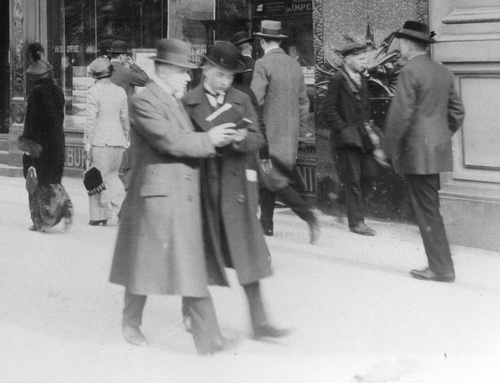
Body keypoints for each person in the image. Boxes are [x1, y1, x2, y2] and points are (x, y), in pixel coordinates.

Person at [109, 39, 237, 354]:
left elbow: (183, 137)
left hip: (178, 195)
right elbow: (170, 140)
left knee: (183, 265)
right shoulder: (144, 101)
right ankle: (131, 322)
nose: (186, 78)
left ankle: (209, 339)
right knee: (143, 266)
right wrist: (209, 139)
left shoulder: (172, 98)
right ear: (164, 70)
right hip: (156, 198)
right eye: (182, 72)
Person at [182, 41, 291, 341]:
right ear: (206, 69)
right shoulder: (187, 102)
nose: (225, 81)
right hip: (204, 188)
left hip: (236, 189)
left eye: (230, 76)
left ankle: (260, 323)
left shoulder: (242, 99)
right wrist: (209, 140)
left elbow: (258, 137)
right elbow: (182, 145)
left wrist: (241, 138)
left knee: (249, 258)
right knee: (200, 257)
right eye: (219, 75)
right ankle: (191, 313)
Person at [385, 21, 465, 283]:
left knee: (426, 210)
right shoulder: (442, 71)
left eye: (400, 43)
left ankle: (440, 268)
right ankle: (441, 265)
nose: (399, 48)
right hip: (436, 151)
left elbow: (400, 116)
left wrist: (389, 148)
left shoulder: (410, 71)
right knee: (431, 208)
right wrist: (439, 137)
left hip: (416, 153)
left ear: (408, 44)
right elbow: (456, 113)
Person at [251, 20, 321, 244]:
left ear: (262, 41)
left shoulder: (262, 64)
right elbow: (303, 103)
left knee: (274, 180)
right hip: (289, 137)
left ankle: (308, 215)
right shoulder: (293, 65)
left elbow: (255, 99)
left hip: (269, 136)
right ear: (279, 41)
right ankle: (266, 225)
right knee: (270, 178)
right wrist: (301, 133)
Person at [321, 42, 379, 236]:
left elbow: (365, 108)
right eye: (361, 59)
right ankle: (356, 222)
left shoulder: (361, 79)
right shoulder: (338, 79)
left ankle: (339, 199)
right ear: (348, 60)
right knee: (353, 179)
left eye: (365, 58)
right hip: (346, 140)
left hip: (362, 137)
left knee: (369, 174)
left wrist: (369, 130)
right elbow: (328, 109)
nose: (364, 62)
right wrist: (343, 129)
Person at [17, 42, 73, 232]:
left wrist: (27, 146)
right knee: (52, 179)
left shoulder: (35, 92)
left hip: (40, 143)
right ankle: (62, 202)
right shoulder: (57, 90)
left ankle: (40, 220)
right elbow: (60, 116)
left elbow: (32, 121)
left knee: (35, 182)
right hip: (57, 140)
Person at [84, 57, 130, 226]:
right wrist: (126, 137)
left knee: (97, 177)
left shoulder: (92, 92)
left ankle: (100, 215)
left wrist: (86, 141)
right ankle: (120, 206)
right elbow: (125, 118)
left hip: (99, 141)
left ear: (95, 75)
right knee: (112, 175)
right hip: (117, 140)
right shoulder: (120, 92)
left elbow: (90, 120)